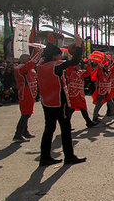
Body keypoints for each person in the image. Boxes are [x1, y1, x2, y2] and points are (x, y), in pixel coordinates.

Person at [36, 36, 86, 166]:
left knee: (49, 129)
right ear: (54, 57)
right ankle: (69, 156)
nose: (60, 57)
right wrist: (79, 44)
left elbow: (42, 56)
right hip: (59, 101)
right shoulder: (55, 66)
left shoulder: (40, 65)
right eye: (59, 55)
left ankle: (45, 156)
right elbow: (75, 61)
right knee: (65, 128)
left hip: (46, 101)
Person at [12, 49, 41, 142]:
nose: (29, 59)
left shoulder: (25, 67)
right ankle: (18, 134)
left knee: (27, 113)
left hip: (30, 92)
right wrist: (38, 53)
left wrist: (36, 51)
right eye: (27, 58)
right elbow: (31, 63)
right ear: (22, 59)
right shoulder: (21, 67)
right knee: (26, 113)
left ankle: (25, 132)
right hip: (26, 92)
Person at [65, 60, 97, 128]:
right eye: (77, 65)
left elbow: (88, 72)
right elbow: (69, 69)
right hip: (73, 93)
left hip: (80, 93)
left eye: (79, 65)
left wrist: (88, 65)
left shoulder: (80, 72)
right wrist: (73, 61)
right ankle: (67, 125)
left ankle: (88, 122)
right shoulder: (69, 72)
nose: (79, 66)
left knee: (83, 108)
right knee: (71, 109)